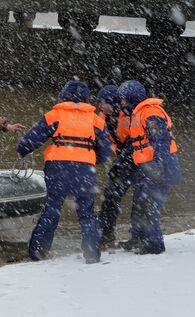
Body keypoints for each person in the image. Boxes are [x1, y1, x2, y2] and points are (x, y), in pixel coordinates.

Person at [16, 80, 113, 264]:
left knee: (52, 211)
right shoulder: (96, 120)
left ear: (63, 95)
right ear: (86, 99)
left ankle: (38, 253)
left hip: (58, 169)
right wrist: (93, 159)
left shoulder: (55, 115)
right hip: (85, 170)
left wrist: (22, 149)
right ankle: (92, 254)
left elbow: (33, 138)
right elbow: (106, 150)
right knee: (86, 214)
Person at [117, 80, 181, 254]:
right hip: (148, 168)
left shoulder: (150, 112)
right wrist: (121, 160)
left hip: (160, 167)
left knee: (149, 205)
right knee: (140, 202)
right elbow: (137, 144)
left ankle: (154, 245)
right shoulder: (138, 114)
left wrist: (159, 167)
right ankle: (138, 237)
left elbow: (161, 141)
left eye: (123, 99)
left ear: (131, 98)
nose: (121, 103)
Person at [95, 85, 140, 249]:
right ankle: (106, 235)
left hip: (140, 161)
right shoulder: (103, 117)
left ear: (113, 103)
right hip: (124, 161)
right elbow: (96, 139)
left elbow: (135, 142)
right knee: (110, 195)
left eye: (102, 102)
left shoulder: (130, 114)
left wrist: (121, 162)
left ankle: (138, 237)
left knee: (140, 199)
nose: (99, 106)